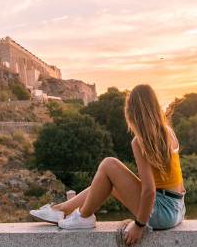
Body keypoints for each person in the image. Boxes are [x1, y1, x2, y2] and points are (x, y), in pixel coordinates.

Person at [29, 84, 186, 245]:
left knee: (108, 164)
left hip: (162, 213)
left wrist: (139, 225)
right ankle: (59, 210)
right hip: (177, 209)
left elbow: (149, 191)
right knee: (105, 183)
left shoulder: (140, 142)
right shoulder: (168, 132)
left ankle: (83, 216)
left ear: (131, 112)